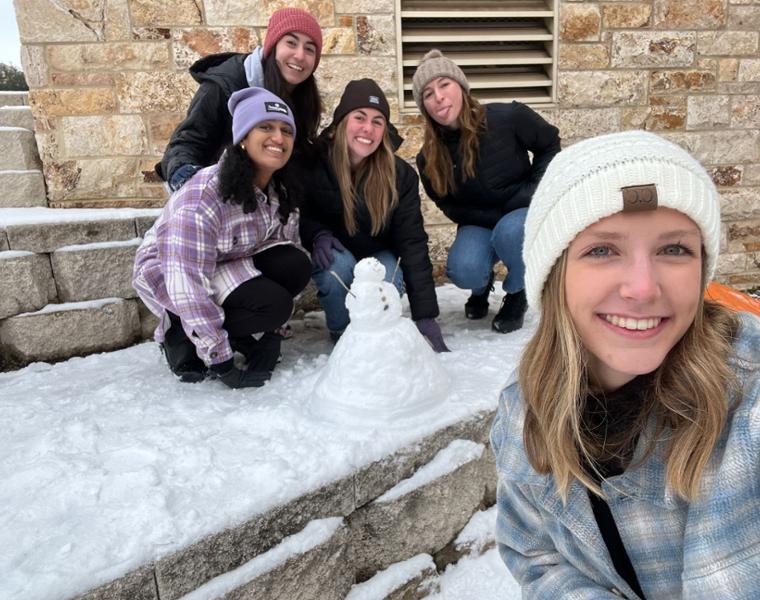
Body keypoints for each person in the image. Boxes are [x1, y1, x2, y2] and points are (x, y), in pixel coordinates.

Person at [491, 130, 760, 599]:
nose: (642, 288)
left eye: (673, 249)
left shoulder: (748, 396)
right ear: (554, 276)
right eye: (602, 250)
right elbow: (535, 554)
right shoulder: (522, 411)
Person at [133, 87, 311, 388]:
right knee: (274, 305)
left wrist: (271, 334)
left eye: (286, 130)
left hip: (226, 258)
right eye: (265, 127)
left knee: (295, 264)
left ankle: (238, 331)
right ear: (242, 138)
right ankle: (179, 331)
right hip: (170, 272)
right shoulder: (203, 197)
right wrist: (223, 361)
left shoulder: (280, 191)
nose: (278, 138)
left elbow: (287, 246)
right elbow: (186, 281)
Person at [293, 78, 448, 352]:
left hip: (380, 252)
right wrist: (316, 234)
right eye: (360, 117)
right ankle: (343, 335)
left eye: (378, 121)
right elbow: (298, 212)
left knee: (385, 281)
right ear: (342, 121)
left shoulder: (400, 175)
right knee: (335, 268)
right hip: (336, 249)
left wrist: (425, 314)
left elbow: (411, 242)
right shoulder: (314, 161)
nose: (368, 128)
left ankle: (376, 336)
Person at [413, 49, 561, 333]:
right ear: (424, 106)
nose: (439, 97)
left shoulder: (508, 117)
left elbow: (550, 144)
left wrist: (534, 190)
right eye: (428, 94)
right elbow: (445, 202)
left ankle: (517, 293)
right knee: (463, 269)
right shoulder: (428, 156)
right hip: (479, 221)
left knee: (511, 233)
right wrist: (483, 216)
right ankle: (480, 287)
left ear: (461, 87)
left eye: (444, 85)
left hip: (519, 210)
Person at [157, 7, 323, 191]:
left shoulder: (304, 98)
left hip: (272, 203)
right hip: (223, 197)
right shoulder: (225, 85)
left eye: (309, 49)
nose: (300, 55)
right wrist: (193, 185)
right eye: (291, 43)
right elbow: (188, 142)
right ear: (273, 46)